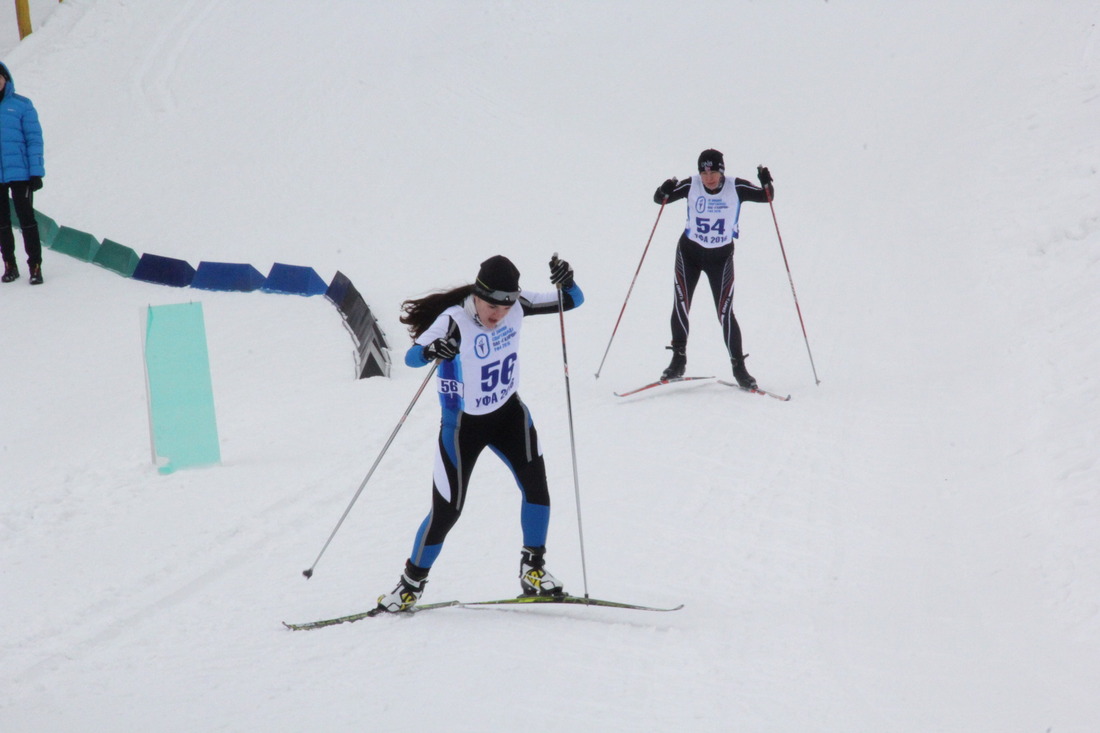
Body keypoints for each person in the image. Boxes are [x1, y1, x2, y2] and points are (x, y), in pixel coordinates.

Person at [374, 254, 584, 613]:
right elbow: (411, 357)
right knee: (448, 511)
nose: (499, 314)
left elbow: (573, 300)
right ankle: (410, 585)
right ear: (477, 294)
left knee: (538, 488)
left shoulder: (520, 305)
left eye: (506, 306)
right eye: (491, 305)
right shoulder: (453, 319)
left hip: (509, 414)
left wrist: (567, 282)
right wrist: (430, 350)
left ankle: (533, 570)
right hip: (463, 426)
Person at [653, 148, 773, 388]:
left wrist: (766, 180)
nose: (708, 177)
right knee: (681, 303)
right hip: (690, 254)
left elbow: (766, 197)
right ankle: (678, 360)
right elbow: (660, 199)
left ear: (721, 172)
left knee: (725, 312)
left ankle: (739, 368)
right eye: (703, 172)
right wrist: (664, 187)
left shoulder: (735, 187)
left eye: (713, 172)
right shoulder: (691, 185)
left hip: (721, 258)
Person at [0, 61, 45, 285]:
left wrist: (36, 172)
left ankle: (35, 266)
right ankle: (10, 265)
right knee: (2, 223)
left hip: (21, 174)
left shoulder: (22, 105)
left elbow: (34, 140)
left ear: (6, 79)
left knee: (26, 220)